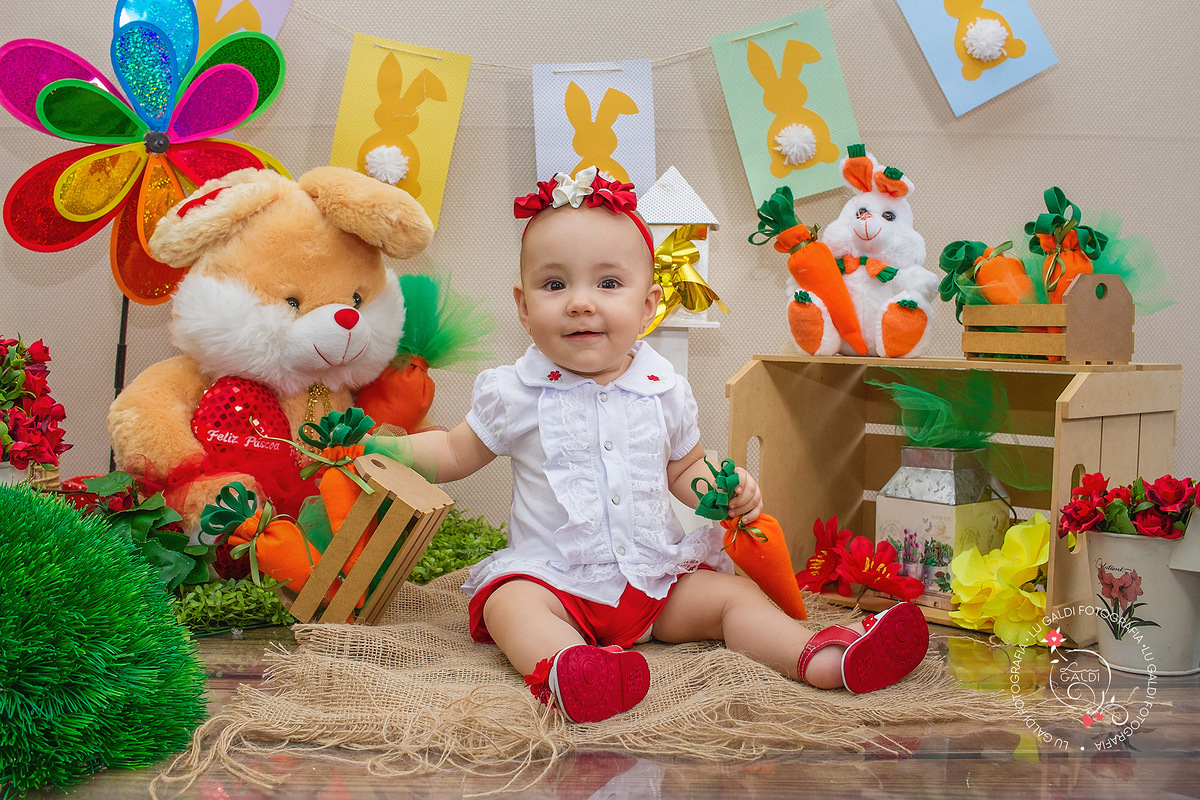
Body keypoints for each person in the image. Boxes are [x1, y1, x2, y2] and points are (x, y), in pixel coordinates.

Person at [407, 166, 929, 723]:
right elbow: (454, 452)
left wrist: (724, 492)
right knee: (510, 604)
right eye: (555, 285)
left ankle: (824, 659)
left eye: (608, 284)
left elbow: (684, 467)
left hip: (652, 583)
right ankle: (570, 669)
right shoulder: (514, 391)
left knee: (732, 597)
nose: (580, 303)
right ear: (523, 305)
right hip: (554, 582)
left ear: (648, 304)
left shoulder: (663, 389)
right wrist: (385, 451)